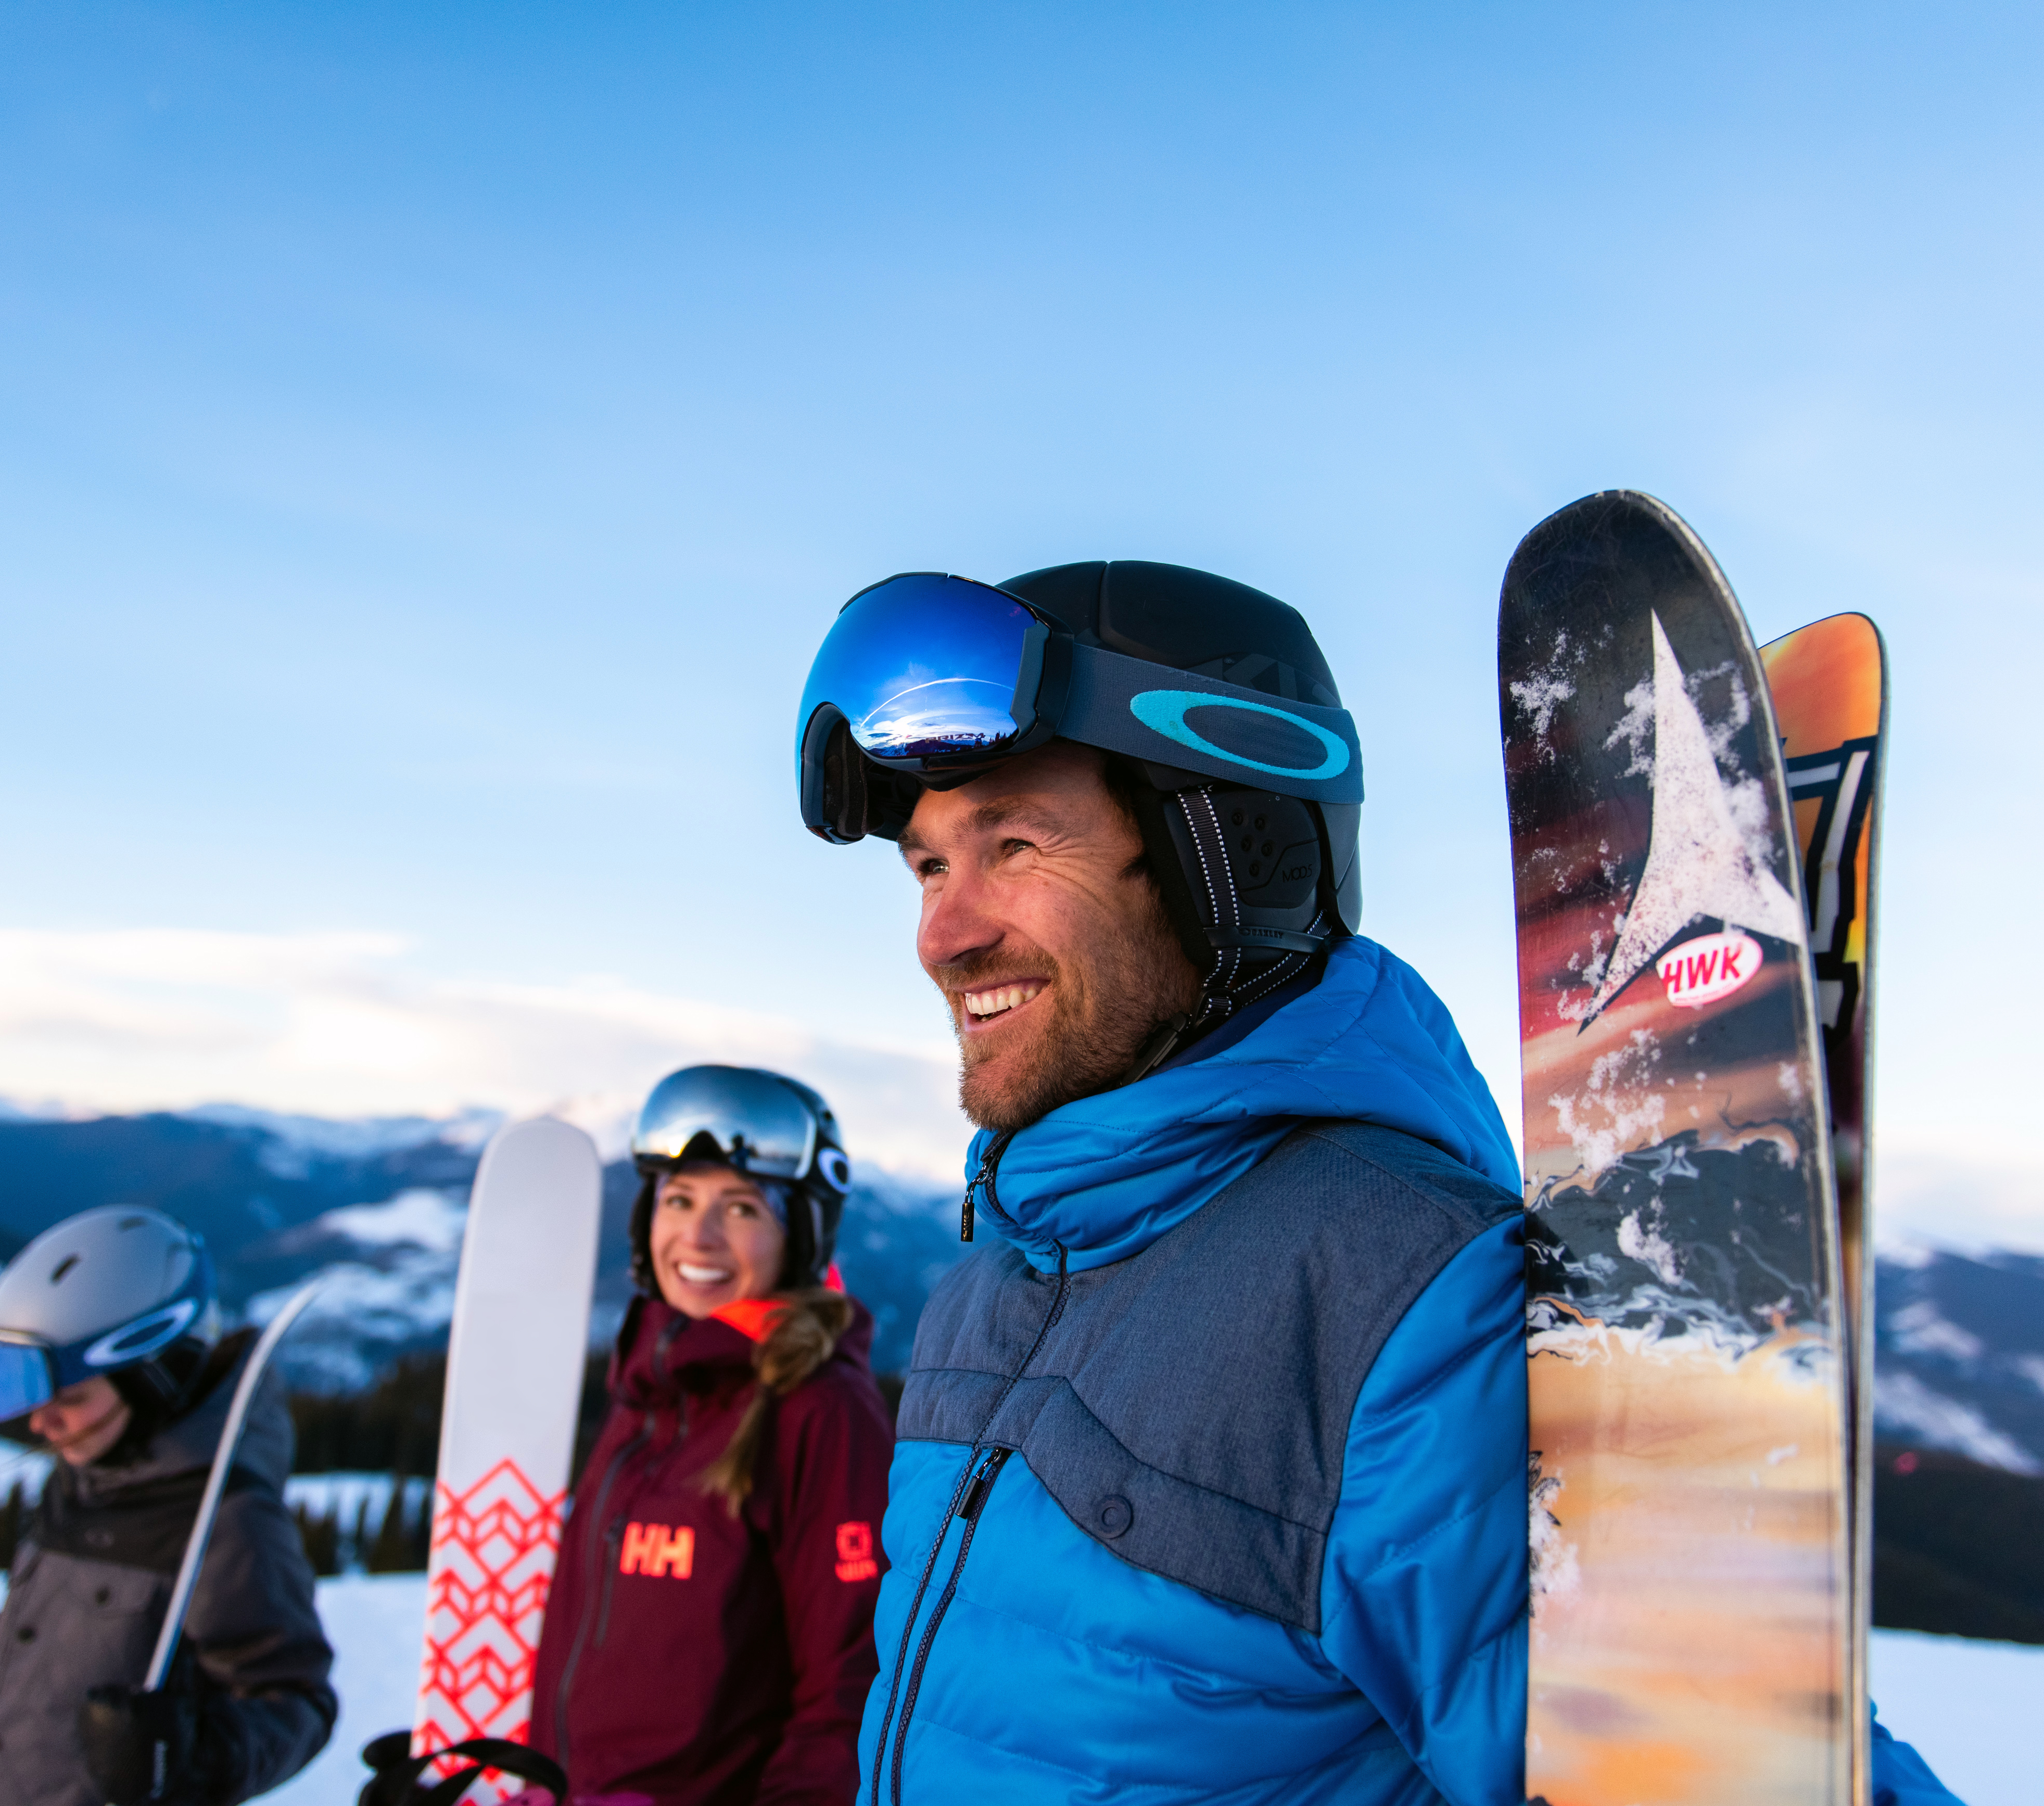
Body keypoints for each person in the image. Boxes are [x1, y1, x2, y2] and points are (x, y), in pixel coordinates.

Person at [792, 561, 1963, 1804]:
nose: (941, 934)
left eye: (1011, 844)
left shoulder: (1409, 1306)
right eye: (927, 867)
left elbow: (1709, 1759)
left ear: (1218, 853)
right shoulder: (991, 1275)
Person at [0, 1206, 336, 1806]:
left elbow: (297, 1700)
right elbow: (65, 1666)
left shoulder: (226, 1519)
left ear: (153, 1375)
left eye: (70, 1396)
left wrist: (186, 1759)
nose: (40, 1421)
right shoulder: (87, 1474)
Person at [526, 1065, 895, 1805]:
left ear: (799, 1237)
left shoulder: (821, 1409)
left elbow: (853, 1690)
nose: (698, 1235)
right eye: (679, 1199)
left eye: (743, 1209)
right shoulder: (652, 1386)